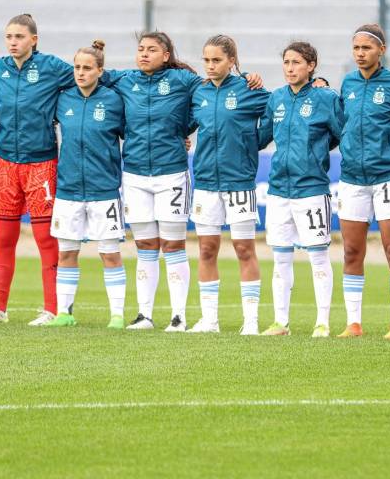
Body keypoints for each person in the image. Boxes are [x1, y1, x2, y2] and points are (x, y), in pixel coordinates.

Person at [106, 32, 263, 332]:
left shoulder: (185, 81)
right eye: (140, 49)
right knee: (145, 246)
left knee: (174, 244)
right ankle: (144, 315)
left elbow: (210, 102)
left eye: (152, 49)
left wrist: (250, 77)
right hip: (135, 174)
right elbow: (94, 74)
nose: (144, 54)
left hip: (172, 172)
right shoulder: (125, 80)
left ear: (166, 55)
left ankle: (179, 316)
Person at [0, 14, 75, 325]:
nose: (12, 42)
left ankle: (52, 309)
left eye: (19, 37)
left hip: (42, 163)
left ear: (33, 39)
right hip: (7, 163)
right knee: (4, 238)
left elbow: (88, 79)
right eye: (8, 36)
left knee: (45, 239)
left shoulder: (52, 67)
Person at [257, 41, 344, 338]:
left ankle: (322, 322)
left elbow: (340, 134)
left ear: (311, 65)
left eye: (296, 62)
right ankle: (280, 322)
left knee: (317, 255)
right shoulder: (276, 99)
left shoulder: (325, 99)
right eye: (286, 63)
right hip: (280, 188)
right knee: (281, 257)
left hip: (311, 188)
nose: (290, 68)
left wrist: (315, 153)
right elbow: (260, 137)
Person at [188, 34, 271, 334]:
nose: (210, 66)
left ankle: (251, 321)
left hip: (239, 182)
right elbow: (187, 123)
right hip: (206, 183)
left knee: (243, 249)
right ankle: (209, 320)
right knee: (207, 250)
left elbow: (277, 111)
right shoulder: (199, 93)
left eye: (217, 60)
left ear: (232, 61)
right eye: (207, 60)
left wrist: (254, 142)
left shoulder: (250, 90)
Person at [336, 24, 390, 339]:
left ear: (381, 50)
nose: (360, 54)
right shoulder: (348, 83)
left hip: (388, 176)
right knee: (352, 251)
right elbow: (342, 121)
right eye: (356, 48)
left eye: (366, 48)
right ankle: (353, 323)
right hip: (353, 178)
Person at [44, 41, 127, 328]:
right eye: (77, 67)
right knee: (67, 252)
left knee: (110, 254)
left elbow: (136, 131)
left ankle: (117, 314)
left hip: (104, 189)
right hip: (68, 189)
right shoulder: (62, 99)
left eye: (87, 68)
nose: (80, 73)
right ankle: (64, 312)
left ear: (100, 71)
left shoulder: (115, 100)